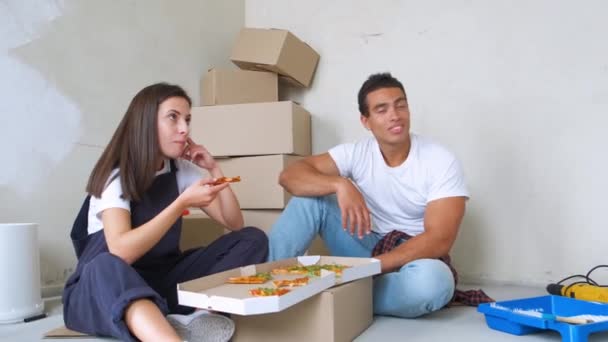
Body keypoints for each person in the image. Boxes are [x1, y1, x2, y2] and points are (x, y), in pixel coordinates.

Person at [63, 83, 268, 341]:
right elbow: (121, 251)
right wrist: (180, 204)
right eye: (173, 117)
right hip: (105, 286)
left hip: (160, 280)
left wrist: (215, 169)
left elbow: (234, 223)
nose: (184, 129)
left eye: (187, 120)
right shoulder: (116, 176)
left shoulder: (180, 170)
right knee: (105, 264)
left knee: (253, 238)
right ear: (146, 122)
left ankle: (199, 318)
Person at [268, 72, 478, 318]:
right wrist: (340, 184)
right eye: (382, 109)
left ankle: (336, 298)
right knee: (308, 199)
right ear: (365, 121)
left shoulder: (440, 159)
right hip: (364, 243)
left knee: (434, 283)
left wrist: (372, 267)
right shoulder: (357, 153)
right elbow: (289, 176)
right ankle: (267, 285)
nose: (395, 115)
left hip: (412, 257)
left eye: (401, 105)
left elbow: (440, 238)